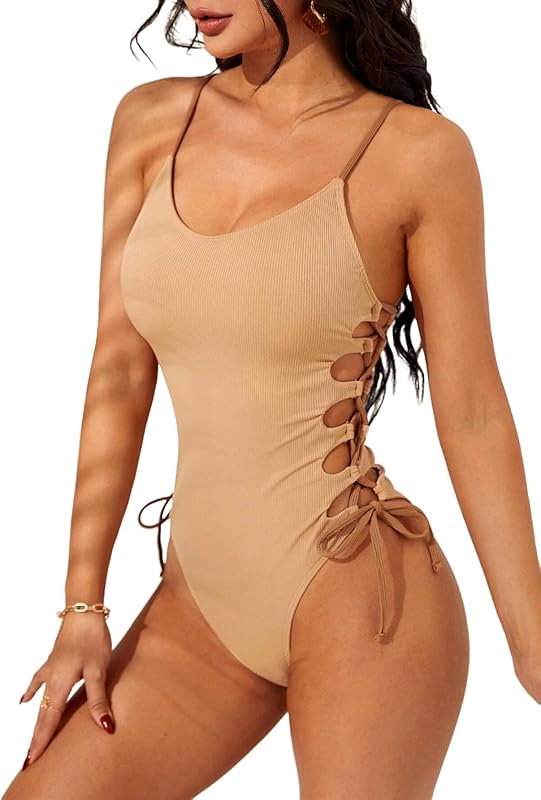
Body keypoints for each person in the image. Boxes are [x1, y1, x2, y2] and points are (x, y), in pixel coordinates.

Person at [4, 1, 541, 798]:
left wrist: (530, 641)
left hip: (363, 604)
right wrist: (82, 607)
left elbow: (471, 408)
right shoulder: (150, 123)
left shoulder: (417, 154)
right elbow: (118, 370)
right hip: (197, 615)